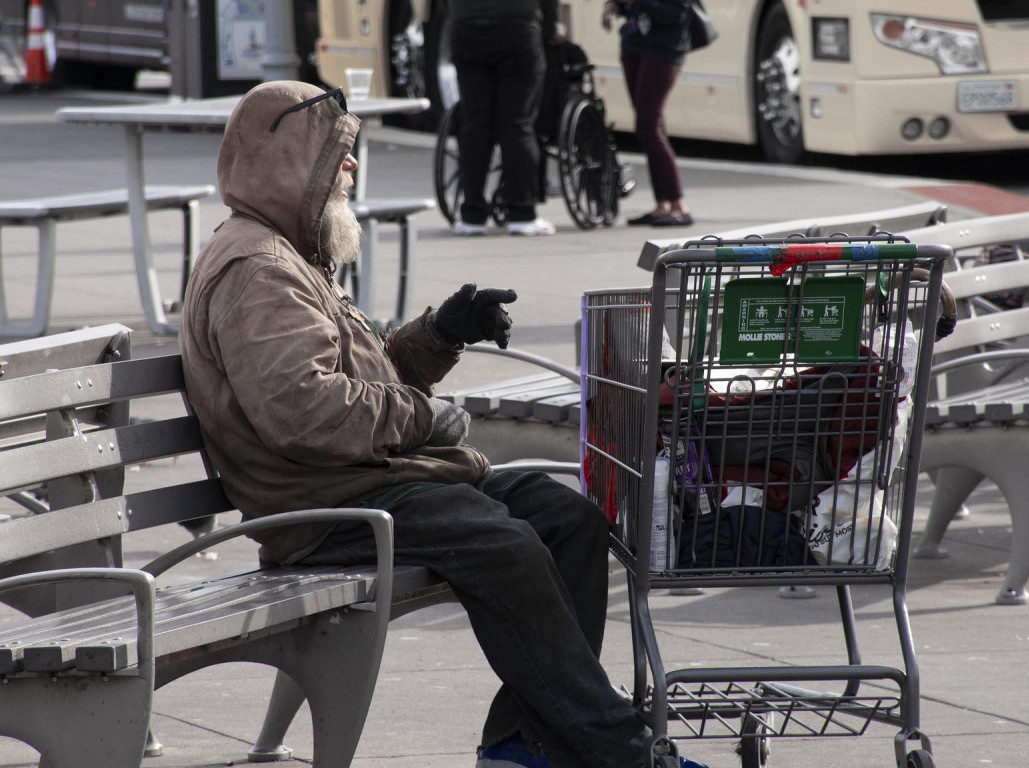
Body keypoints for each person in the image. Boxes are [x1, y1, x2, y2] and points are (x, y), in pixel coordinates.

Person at [180, 81, 709, 768]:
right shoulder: (259, 270)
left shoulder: (289, 253)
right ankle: (623, 752)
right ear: (286, 162)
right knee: (504, 544)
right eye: (336, 156)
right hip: (322, 507)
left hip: (370, 479)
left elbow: (355, 383)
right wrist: (426, 417)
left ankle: (523, 742)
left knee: (567, 521)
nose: (350, 169)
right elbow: (305, 412)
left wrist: (439, 334)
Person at [451, 0, 558, 236]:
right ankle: (521, 213)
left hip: (466, 28)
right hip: (517, 29)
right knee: (517, 122)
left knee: (475, 123)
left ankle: (472, 215)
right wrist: (549, 29)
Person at [602, 0, 695, 227]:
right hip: (634, 44)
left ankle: (679, 203)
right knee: (652, 126)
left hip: (663, 49)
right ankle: (663, 203)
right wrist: (614, 6)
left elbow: (677, 12)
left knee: (647, 127)